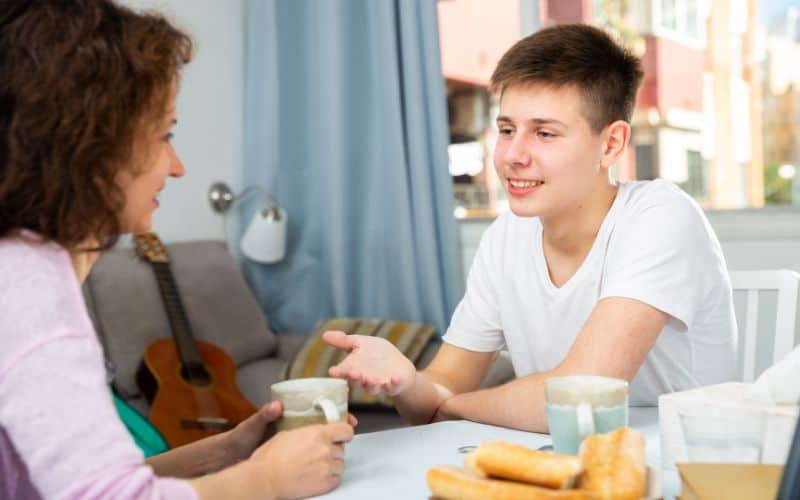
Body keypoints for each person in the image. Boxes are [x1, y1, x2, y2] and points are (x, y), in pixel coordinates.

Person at [0, 1, 352, 499]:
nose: (178, 166)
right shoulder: (26, 280)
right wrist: (265, 480)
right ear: (91, 144)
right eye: (165, 135)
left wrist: (225, 452)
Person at [323, 23, 737, 432]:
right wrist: (409, 383)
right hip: (559, 464)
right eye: (506, 130)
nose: (512, 156)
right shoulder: (507, 237)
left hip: (681, 467)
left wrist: (449, 408)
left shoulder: (661, 216)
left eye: (544, 133)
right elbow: (440, 388)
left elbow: (581, 399)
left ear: (611, 144)